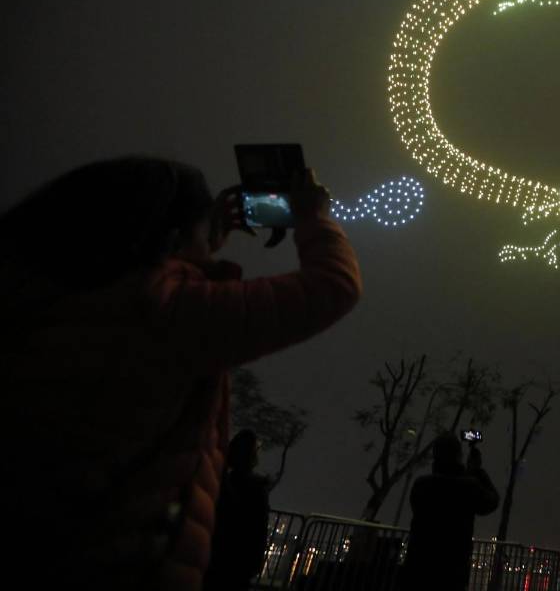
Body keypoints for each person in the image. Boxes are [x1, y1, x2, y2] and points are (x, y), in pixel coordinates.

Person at [0, 156, 361, 590]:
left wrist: (203, 241)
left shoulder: (40, 300)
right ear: (173, 232)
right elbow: (333, 285)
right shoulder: (164, 311)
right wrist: (311, 216)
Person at [399, 433, 499, 591]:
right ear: (459, 456)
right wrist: (477, 471)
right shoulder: (469, 487)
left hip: (418, 567)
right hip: (452, 571)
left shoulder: (421, 485)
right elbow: (492, 501)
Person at [203, 430, 272, 591]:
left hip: (215, 557)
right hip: (240, 561)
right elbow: (258, 529)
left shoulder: (219, 482)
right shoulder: (257, 489)